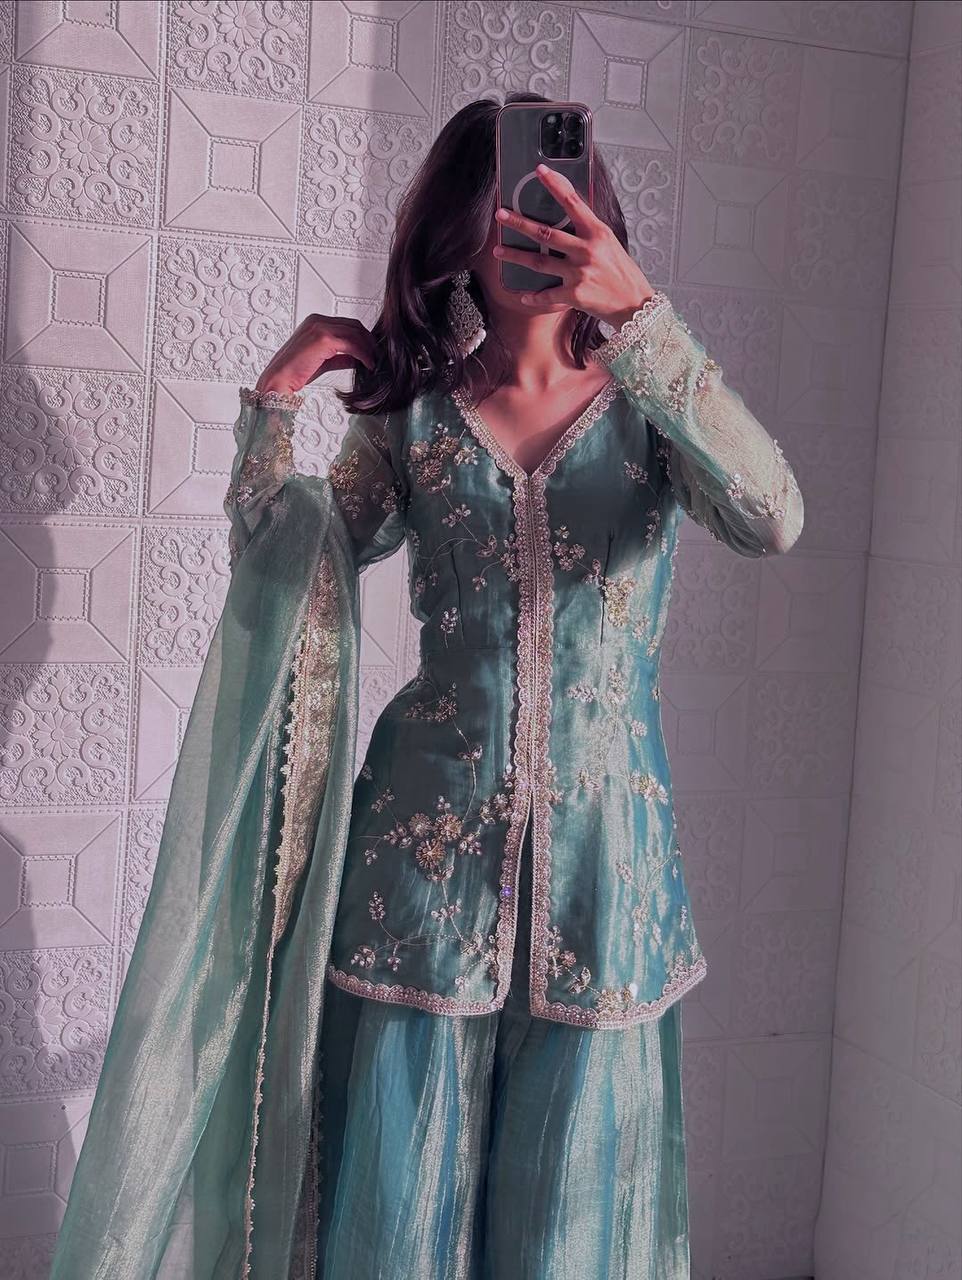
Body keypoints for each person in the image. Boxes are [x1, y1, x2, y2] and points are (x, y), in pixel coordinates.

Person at [49, 93, 803, 1280]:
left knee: (569, 1230)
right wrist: (275, 400)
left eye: (554, 207)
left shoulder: (653, 408)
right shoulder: (418, 417)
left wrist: (642, 320)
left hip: (603, 876)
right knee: (398, 1222)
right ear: (456, 235)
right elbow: (288, 559)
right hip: (420, 872)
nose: (531, 233)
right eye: (504, 213)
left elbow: (771, 516)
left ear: (595, 215)